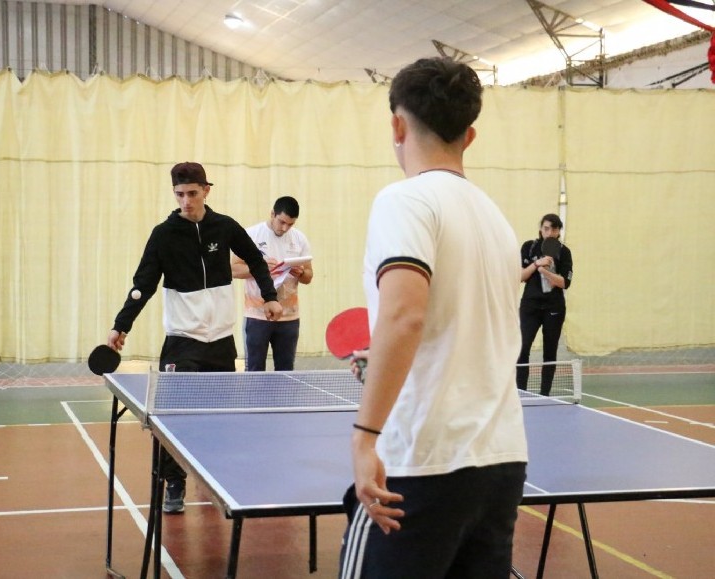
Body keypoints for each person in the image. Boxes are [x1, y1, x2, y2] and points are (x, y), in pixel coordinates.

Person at [339, 58, 528, 579]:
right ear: (469, 135)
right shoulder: (497, 220)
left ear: (397, 125)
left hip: (419, 461)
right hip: (500, 462)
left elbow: (404, 317)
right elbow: (458, 325)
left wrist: (364, 437)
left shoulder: (404, 200)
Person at [107, 162, 282, 513]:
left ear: (206, 190)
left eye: (192, 193)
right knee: (172, 416)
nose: (186, 201)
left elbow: (257, 261)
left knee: (217, 416)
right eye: (179, 194)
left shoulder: (225, 226)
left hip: (220, 339)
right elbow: (143, 286)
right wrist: (120, 326)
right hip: (182, 339)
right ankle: (174, 482)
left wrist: (270, 297)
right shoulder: (163, 234)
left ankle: (212, 474)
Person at [231, 196, 313, 371]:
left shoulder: (300, 239)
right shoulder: (251, 235)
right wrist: (259, 268)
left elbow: (308, 276)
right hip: (257, 315)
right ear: (272, 214)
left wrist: (300, 273)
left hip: (289, 316)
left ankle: (282, 399)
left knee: (285, 370)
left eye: (290, 224)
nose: (285, 228)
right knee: (254, 369)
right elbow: (233, 270)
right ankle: (254, 399)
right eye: (281, 222)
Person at [516, 213, 573, 396]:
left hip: (554, 308)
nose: (550, 232)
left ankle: (545, 396)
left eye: (554, 229)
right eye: (546, 228)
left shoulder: (564, 252)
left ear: (558, 231)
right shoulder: (529, 247)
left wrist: (546, 271)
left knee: (550, 353)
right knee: (522, 348)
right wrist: (536, 264)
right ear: (541, 228)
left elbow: (564, 282)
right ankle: (521, 394)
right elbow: (520, 276)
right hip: (530, 307)